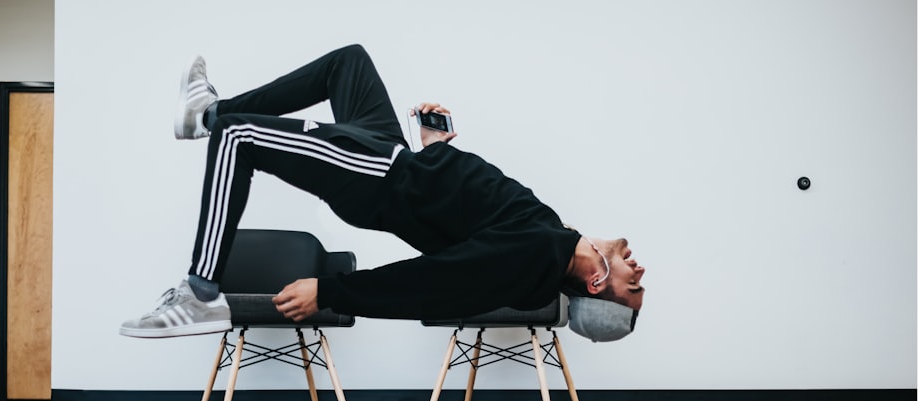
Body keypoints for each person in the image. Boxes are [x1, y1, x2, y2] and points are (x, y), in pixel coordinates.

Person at [120, 45, 645, 342]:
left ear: (597, 282)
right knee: (348, 63)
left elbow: (429, 282)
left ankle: (200, 295)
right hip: (397, 158)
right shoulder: (552, 234)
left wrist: (333, 292)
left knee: (238, 138)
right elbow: (461, 208)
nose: (639, 270)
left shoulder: (530, 261)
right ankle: (203, 114)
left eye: (633, 286)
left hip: (375, 177)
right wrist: (436, 145)